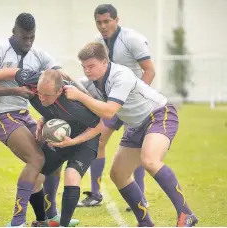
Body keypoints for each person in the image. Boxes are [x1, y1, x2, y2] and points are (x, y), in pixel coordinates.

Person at [63, 42, 198, 227]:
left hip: (159, 114)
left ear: (104, 62)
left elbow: (109, 112)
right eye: (84, 67)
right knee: (118, 174)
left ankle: (186, 214)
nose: (87, 71)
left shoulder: (121, 75)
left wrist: (80, 96)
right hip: (134, 125)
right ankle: (145, 223)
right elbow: (72, 84)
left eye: (91, 66)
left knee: (149, 160)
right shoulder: (93, 81)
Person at [0, 13, 78, 227]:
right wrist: (16, 90)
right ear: (14, 32)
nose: (28, 42)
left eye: (32, 37)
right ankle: (17, 221)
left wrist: (75, 85)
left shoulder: (38, 54)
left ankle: (50, 218)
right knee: (36, 159)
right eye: (24, 38)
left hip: (24, 115)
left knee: (54, 156)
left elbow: (58, 74)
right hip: (1, 115)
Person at [0, 68, 102, 227]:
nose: (40, 97)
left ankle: (62, 225)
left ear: (59, 91)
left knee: (71, 175)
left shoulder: (74, 103)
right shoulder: (33, 80)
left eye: (46, 95)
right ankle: (42, 221)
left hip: (85, 142)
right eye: (39, 92)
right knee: (35, 176)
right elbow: (13, 72)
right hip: (61, 137)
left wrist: (73, 142)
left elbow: (99, 126)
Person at [78, 4, 156, 209]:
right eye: (99, 22)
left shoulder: (132, 39)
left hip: (132, 104)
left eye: (107, 21)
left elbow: (149, 70)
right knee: (98, 140)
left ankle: (141, 198)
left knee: (136, 148)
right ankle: (95, 194)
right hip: (111, 103)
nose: (103, 26)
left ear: (116, 20)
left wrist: (134, 98)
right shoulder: (96, 43)